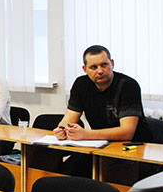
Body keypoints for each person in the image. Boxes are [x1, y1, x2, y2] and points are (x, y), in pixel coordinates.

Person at [54, 45, 152, 177]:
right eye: (94, 67)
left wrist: (85, 134)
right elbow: (69, 119)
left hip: (133, 147)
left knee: (111, 177)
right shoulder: (81, 84)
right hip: (100, 144)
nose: (100, 71)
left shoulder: (128, 85)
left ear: (112, 64)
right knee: (65, 173)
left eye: (104, 65)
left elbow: (127, 132)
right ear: (85, 69)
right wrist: (62, 129)